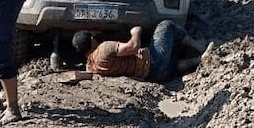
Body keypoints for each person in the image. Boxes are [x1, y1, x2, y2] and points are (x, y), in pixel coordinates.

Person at [71, 20, 202, 82]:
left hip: (152, 76)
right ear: (92, 40)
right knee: (166, 25)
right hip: (153, 60)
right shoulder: (104, 48)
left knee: (173, 64)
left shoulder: (91, 67)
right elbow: (133, 47)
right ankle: (198, 46)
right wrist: (136, 32)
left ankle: (199, 60)